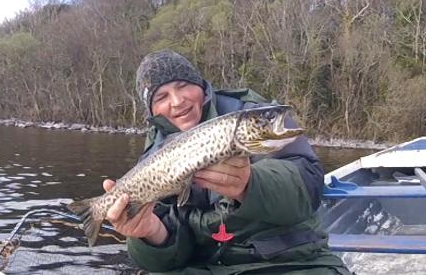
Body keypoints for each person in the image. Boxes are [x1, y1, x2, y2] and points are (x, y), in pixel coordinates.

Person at [102, 50, 351, 274]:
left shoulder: (256, 117)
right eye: (162, 97)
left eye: (183, 86)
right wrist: (150, 234)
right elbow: (170, 258)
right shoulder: (152, 158)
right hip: (209, 267)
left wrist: (251, 184)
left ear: (201, 86)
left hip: (292, 263)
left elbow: (307, 187)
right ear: (152, 111)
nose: (177, 101)